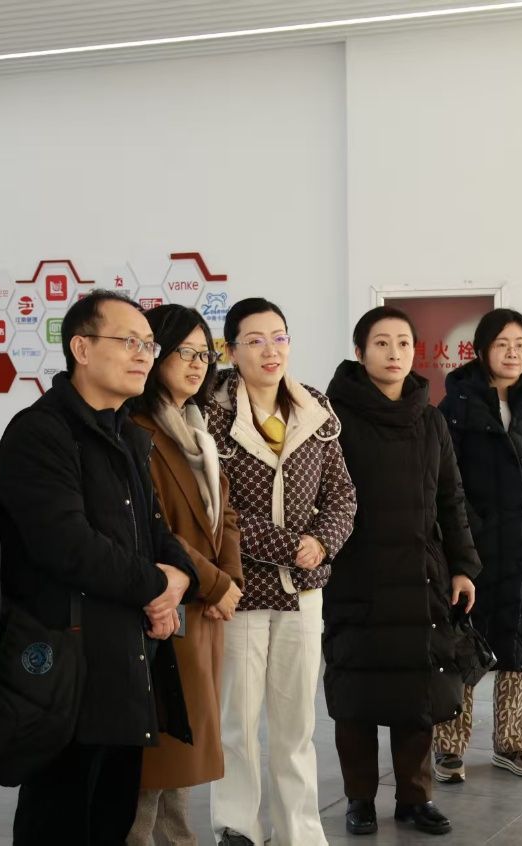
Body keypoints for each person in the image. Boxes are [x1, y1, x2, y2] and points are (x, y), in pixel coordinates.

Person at [0, 291, 199, 845]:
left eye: (149, 345)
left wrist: (179, 577)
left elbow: (155, 531)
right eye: (129, 342)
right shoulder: (40, 433)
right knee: (58, 821)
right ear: (81, 348)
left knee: (112, 820)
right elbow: (68, 545)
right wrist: (157, 584)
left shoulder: (127, 434)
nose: (144, 355)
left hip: (123, 667)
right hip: (62, 672)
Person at [324, 306, 483, 837]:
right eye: (381, 343)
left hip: (421, 574)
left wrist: (463, 566)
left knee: (419, 691)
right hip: (356, 574)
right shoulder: (332, 418)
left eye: (403, 343)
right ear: (359, 351)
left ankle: (416, 798)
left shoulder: (429, 418)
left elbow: (451, 499)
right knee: (356, 693)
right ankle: (359, 799)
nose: (394, 353)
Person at [207, 297, 357, 846]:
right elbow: (216, 509)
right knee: (238, 723)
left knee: (296, 727)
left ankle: (301, 832)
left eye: (279, 337)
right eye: (255, 340)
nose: (270, 350)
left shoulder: (315, 407)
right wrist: (293, 545)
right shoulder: (211, 413)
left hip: (302, 592)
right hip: (240, 591)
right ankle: (238, 827)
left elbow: (342, 495)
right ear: (231, 351)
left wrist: (322, 542)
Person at [433, 308, 522, 783]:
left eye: (521, 345)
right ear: (482, 350)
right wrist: (468, 533)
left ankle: (513, 744)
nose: (513, 353)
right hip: (469, 550)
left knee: (519, 643)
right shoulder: (455, 406)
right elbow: (444, 480)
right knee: (461, 644)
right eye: (502, 344)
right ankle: (448, 747)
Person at [126, 305, 243, 846]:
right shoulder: (139, 429)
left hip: (202, 608)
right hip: (166, 605)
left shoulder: (195, 427)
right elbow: (158, 529)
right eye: (184, 353)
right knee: (159, 751)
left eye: (204, 354)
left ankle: (177, 838)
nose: (198, 364)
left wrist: (230, 580)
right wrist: (216, 584)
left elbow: (225, 514)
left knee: (182, 746)